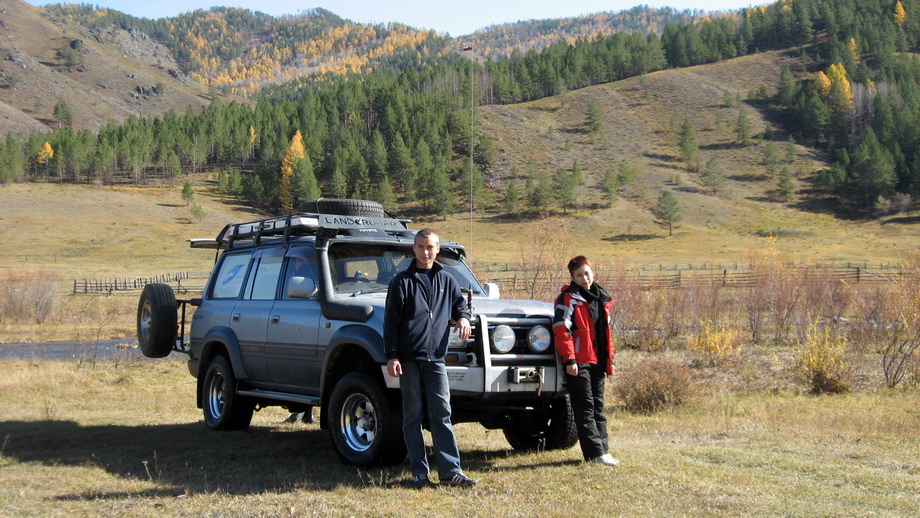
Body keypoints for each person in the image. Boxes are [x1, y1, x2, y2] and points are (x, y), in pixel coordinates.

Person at [384, 228, 478, 489]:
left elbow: (460, 305)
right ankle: (419, 474)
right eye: (421, 247)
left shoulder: (447, 279)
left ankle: (450, 472)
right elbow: (390, 323)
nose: (426, 252)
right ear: (413, 249)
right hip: (408, 358)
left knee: (442, 414)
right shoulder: (401, 281)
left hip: (436, 357)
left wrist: (463, 318)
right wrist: (392, 356)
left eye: (431, 247)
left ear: (438, 249)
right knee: (412, 415)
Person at [552, 255, 619, 466]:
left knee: (598, 406)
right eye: (579, 275)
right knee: (585, 407)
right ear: (572, 277)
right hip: (578, 361)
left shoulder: (602, 299)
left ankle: (604, 451)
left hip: (598, 360)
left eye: (587, 273)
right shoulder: (567, 298)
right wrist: (570, 359)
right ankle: (594, 453)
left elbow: (606, 334)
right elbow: (561, 330)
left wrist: (610, 359)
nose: (584, 278)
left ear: (593, 272)